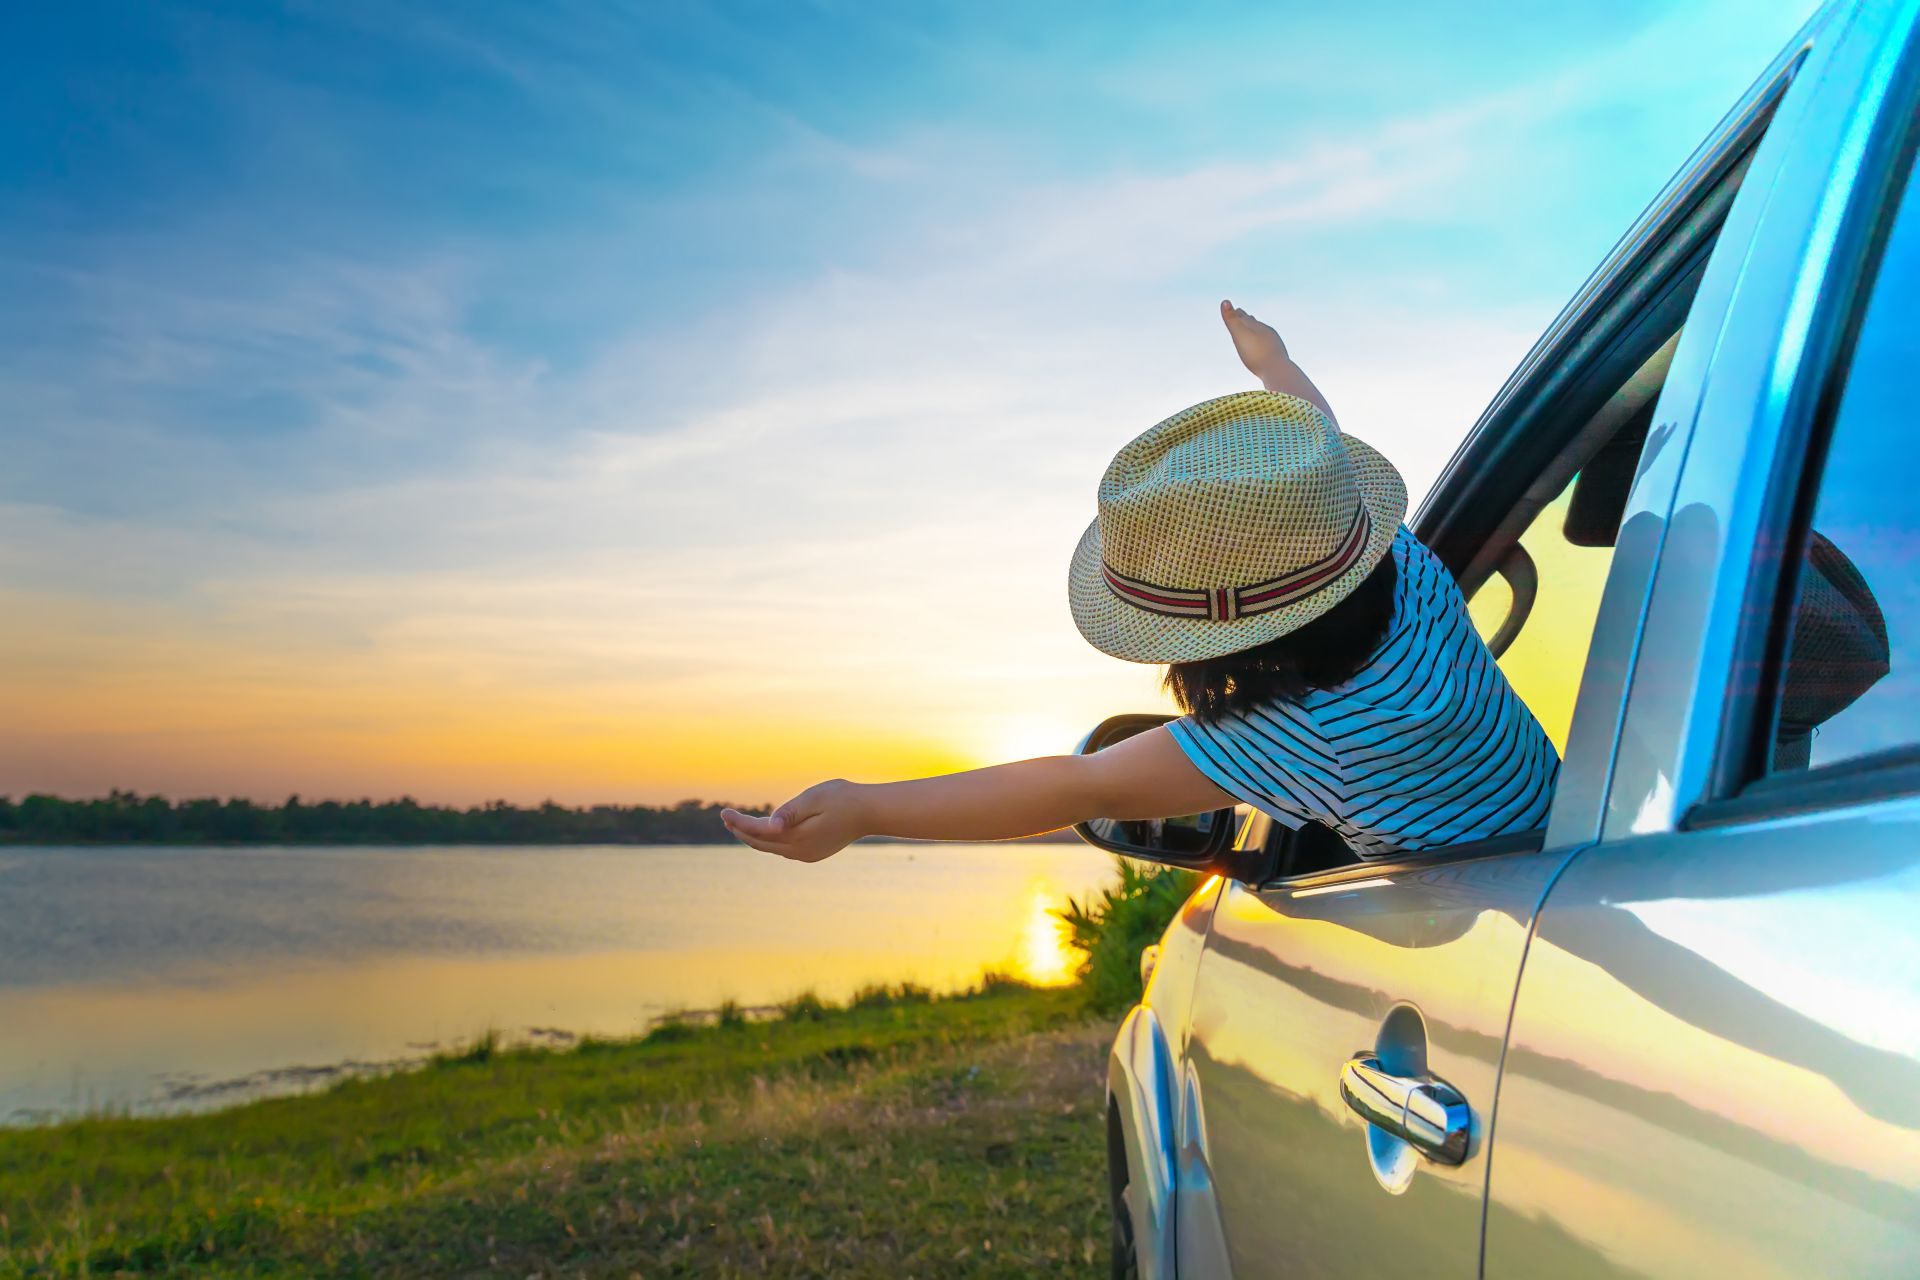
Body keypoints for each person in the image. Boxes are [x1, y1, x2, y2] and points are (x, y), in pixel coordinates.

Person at [722, 301, 1559, 864]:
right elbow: (1316, 459)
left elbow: (1072, 786)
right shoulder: (1396, 569)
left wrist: (868, 810)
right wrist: (1276, 365)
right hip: (1568, 823)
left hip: (1477, 918)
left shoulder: (1298, 734)